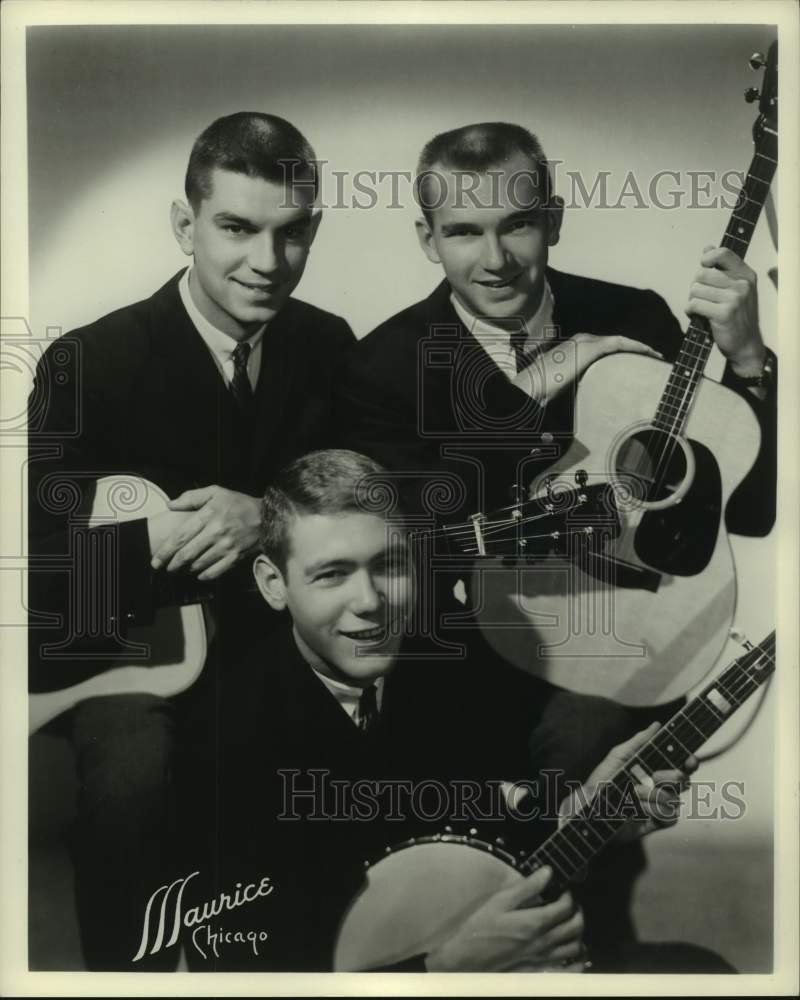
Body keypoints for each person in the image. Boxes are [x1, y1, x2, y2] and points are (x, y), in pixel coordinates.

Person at [337, 120, 777, 952]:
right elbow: (423, 537)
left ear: (558, 218)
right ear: (426, 240)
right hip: (461, 670)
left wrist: (749, 360)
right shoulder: (382, 366)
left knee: (585, 872)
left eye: (518, 225)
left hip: (622, 639)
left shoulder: (635, 316)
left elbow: (746, 511)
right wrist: (552, 371)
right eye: (464, 232)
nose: (494, 258)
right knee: (461, 905)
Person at [175, 449, 732, 973]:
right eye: (332, 574)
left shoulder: (451, 673)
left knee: (705, 972)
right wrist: (440, 970)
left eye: (389, 565)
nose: (370, 601)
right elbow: (237, 971)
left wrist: (584, 818)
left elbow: (494, 847)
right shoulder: (224, 737)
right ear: (274, 584)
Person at [27, 112, 354, 970]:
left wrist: (267, 518)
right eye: (237, 228)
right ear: (186, 225)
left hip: (267, 651)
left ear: (313, 229)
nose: (266, 262)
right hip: (120, 658)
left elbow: (360, 516)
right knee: (135, 782)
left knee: (326, 771)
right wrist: (156, 540)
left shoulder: (329, 348)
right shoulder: (86, 363)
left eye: (291, 234)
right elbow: (37, 581)